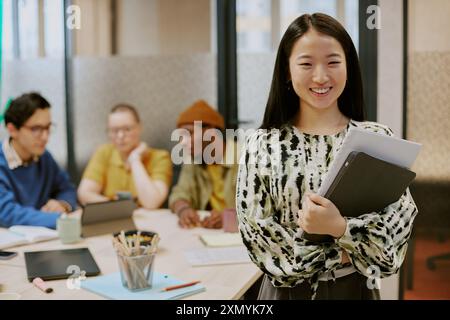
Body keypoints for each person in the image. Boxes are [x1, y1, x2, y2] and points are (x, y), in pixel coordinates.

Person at [236, 13, 418, 300]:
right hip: (285, 294)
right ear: (287, 70)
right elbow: (260, 243)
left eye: (333, 62)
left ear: (348, 67)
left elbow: (394, 238)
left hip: (356, 291)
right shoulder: (261, 144)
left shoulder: (378, 138)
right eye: (306, 64)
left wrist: (338, 227)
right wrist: (350, 250)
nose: (321, 76)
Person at [0, 92, 77, 228]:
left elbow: (67, 188)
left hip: (42, 240)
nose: (45, 137)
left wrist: (62, 204)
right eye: (36, 129)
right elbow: (7, 213)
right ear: (12, 130)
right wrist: (59, 218)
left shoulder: (44, 157)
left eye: (48, 128)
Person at [78, 104, 172, 209]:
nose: (120, 136)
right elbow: (84, 194)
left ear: (139, 127)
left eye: (127, 129)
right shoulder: (104, 152)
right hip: (112, 216)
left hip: (147, 220)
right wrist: (118, 208)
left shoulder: (160, 157)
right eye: (114, 130)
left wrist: (135, 159)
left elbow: (152, 203)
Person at [169, 100, 238, 229]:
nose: (183, 142)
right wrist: (184, 210)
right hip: (208, 234)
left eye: (189, 133)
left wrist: (228, 218)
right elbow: (179, 193)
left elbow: (262, 209)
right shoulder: (193, 158)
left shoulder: (246, 157)